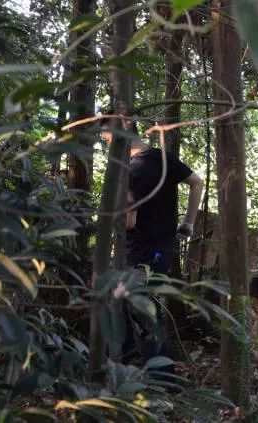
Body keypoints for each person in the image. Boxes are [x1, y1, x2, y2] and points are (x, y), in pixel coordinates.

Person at [100, 117, 203, 369]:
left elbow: (128, 222)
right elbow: (197, 182)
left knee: (142, 313)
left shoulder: (130, 171)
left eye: (107, 138)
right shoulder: (160, 157)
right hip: (162, 249)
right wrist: (188, 223)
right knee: (126, 308)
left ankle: (164, 379)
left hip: (140, 254)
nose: (105, 143)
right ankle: (120, 366)